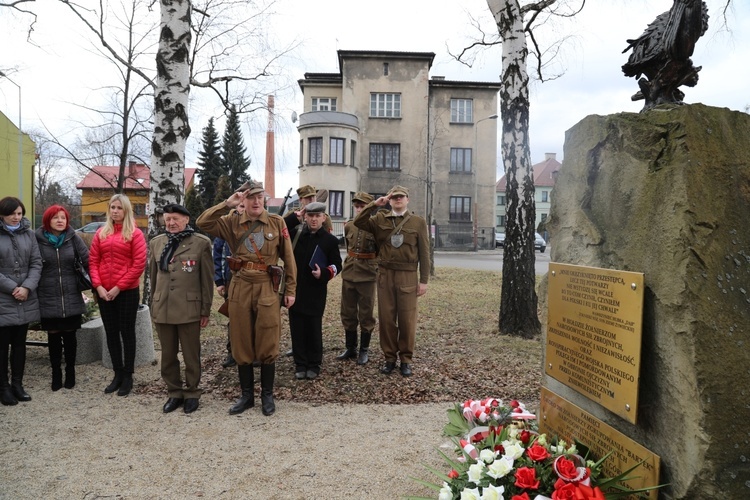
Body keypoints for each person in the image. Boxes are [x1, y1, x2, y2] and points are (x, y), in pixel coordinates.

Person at [197, 181, 297, 416]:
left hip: (266, 287)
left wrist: (290, 289)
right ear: (243, 200)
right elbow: (203, 222)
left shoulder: (276, 222)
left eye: (259, 197)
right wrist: (226, 204)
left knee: (268, 338)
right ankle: (246, 395)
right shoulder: (232, 221)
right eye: (250, 197)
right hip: (240, 286)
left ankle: (267, 396)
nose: (255, 202)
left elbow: (289, 258)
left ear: (264, 199)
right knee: (241, 339)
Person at [353, 185, 430, 377]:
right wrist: (374, 205)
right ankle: (389, 358)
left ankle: (405, 359)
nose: (397, 200)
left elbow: (425, 253)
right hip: (385, 274)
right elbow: (359, 221)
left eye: (401, 197)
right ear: (390, 199)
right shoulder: (380, 219)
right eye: (394, 197)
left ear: (407, 199)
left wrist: (424, 281)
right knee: (387, 319)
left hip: (408, 274)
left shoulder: (418, 222)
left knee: (407, 319)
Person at [148, 204, 214, 414]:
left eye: (175, 219)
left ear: (186, 219)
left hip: (189, 309)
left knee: (190, 354)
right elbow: (153, 277)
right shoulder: (157, 243)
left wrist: (205, 310)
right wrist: (153, 305)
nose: (171, 223)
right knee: (167, 355)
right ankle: (174, 392)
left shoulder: (200, 243)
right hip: (163, 307)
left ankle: (192, 392)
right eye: (167, 219)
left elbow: (206, 280)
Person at [89, 193, 147, 397]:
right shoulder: (101, 233)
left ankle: (128, 375)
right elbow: (93, 261)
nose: (115, 211)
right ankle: (117, 373)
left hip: (126, 292)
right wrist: (98, 286)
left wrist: (118, 287)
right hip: (104, 292)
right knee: (111, 332)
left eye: (119, 208)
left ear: (126, 210)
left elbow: (138, 264)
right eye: (112, 207)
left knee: (126, 332)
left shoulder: (135, 234)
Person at [35, 204, 90, 391]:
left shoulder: (73, 238)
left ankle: (71, 372)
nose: (60, 221)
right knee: (53, 336)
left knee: (70, 336)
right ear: (47, 220)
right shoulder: (37, 239)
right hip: (47, 295)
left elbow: (87, 260)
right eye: (55, 217)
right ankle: (56, 373)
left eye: (63, 218)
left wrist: (94, 283)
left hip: (71, 295)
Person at [285, 202, 342, 380]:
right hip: (295, 289)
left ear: (323, 218)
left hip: (316, 290)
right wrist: (295, 217)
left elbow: (337, 265)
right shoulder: (296, 234)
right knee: (297, 327)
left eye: (317, 216)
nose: (314, 219)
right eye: (310, 216)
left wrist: (324, 273)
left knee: (313, 327)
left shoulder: (330, 240)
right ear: (306, 217)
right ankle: (300, 363)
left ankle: (314, 363)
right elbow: (279, 228)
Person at [0, 197, 42, 406]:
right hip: (3, 298)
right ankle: (3, 387)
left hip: (25, 296)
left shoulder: (29, 234)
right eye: (12, 214)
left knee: (19, 344)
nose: (16, 218)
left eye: (19, 213)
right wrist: (12, 288)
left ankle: (17, 384)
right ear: (2, 215)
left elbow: (36, 263)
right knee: (2, 345)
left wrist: (26, 287)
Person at [337, 192, 378, 365]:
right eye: (357, 206)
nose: (359, 209)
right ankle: (351, 347)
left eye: (363, 206)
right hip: (349, 272)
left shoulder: (376, 227)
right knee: (347, 311)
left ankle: (364, 349)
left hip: (367, 274)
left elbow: (380, 250)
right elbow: (349, 248)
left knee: (366, 314)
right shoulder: (349, 226)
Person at [213, 200, 245, 368]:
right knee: (233, 317)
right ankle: (232, 352)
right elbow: (217, 253)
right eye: (240, 206)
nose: (243, 209)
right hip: (230, 278)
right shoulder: (226, 226)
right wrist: (219, 281)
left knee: (252, 316)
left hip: (251, 279)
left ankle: (251, 353)